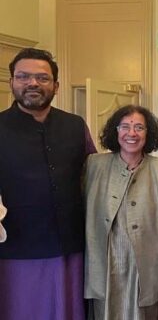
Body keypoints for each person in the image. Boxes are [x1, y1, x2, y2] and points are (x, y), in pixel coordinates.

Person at [0, 47, 96, 319]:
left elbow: (95, 176)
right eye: (23, 76)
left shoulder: (75, 126)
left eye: (42, 78)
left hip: (71, 247)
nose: (32, 83)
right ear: (12, 82)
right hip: (14, 250)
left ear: (56, 85)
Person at [84, 105, 158, 320]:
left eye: (139, 127)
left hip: (146, 263)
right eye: (124, 126)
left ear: (148, 133)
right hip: (105, 261)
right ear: (115, 131)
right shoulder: (94, 165)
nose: (131, 133)